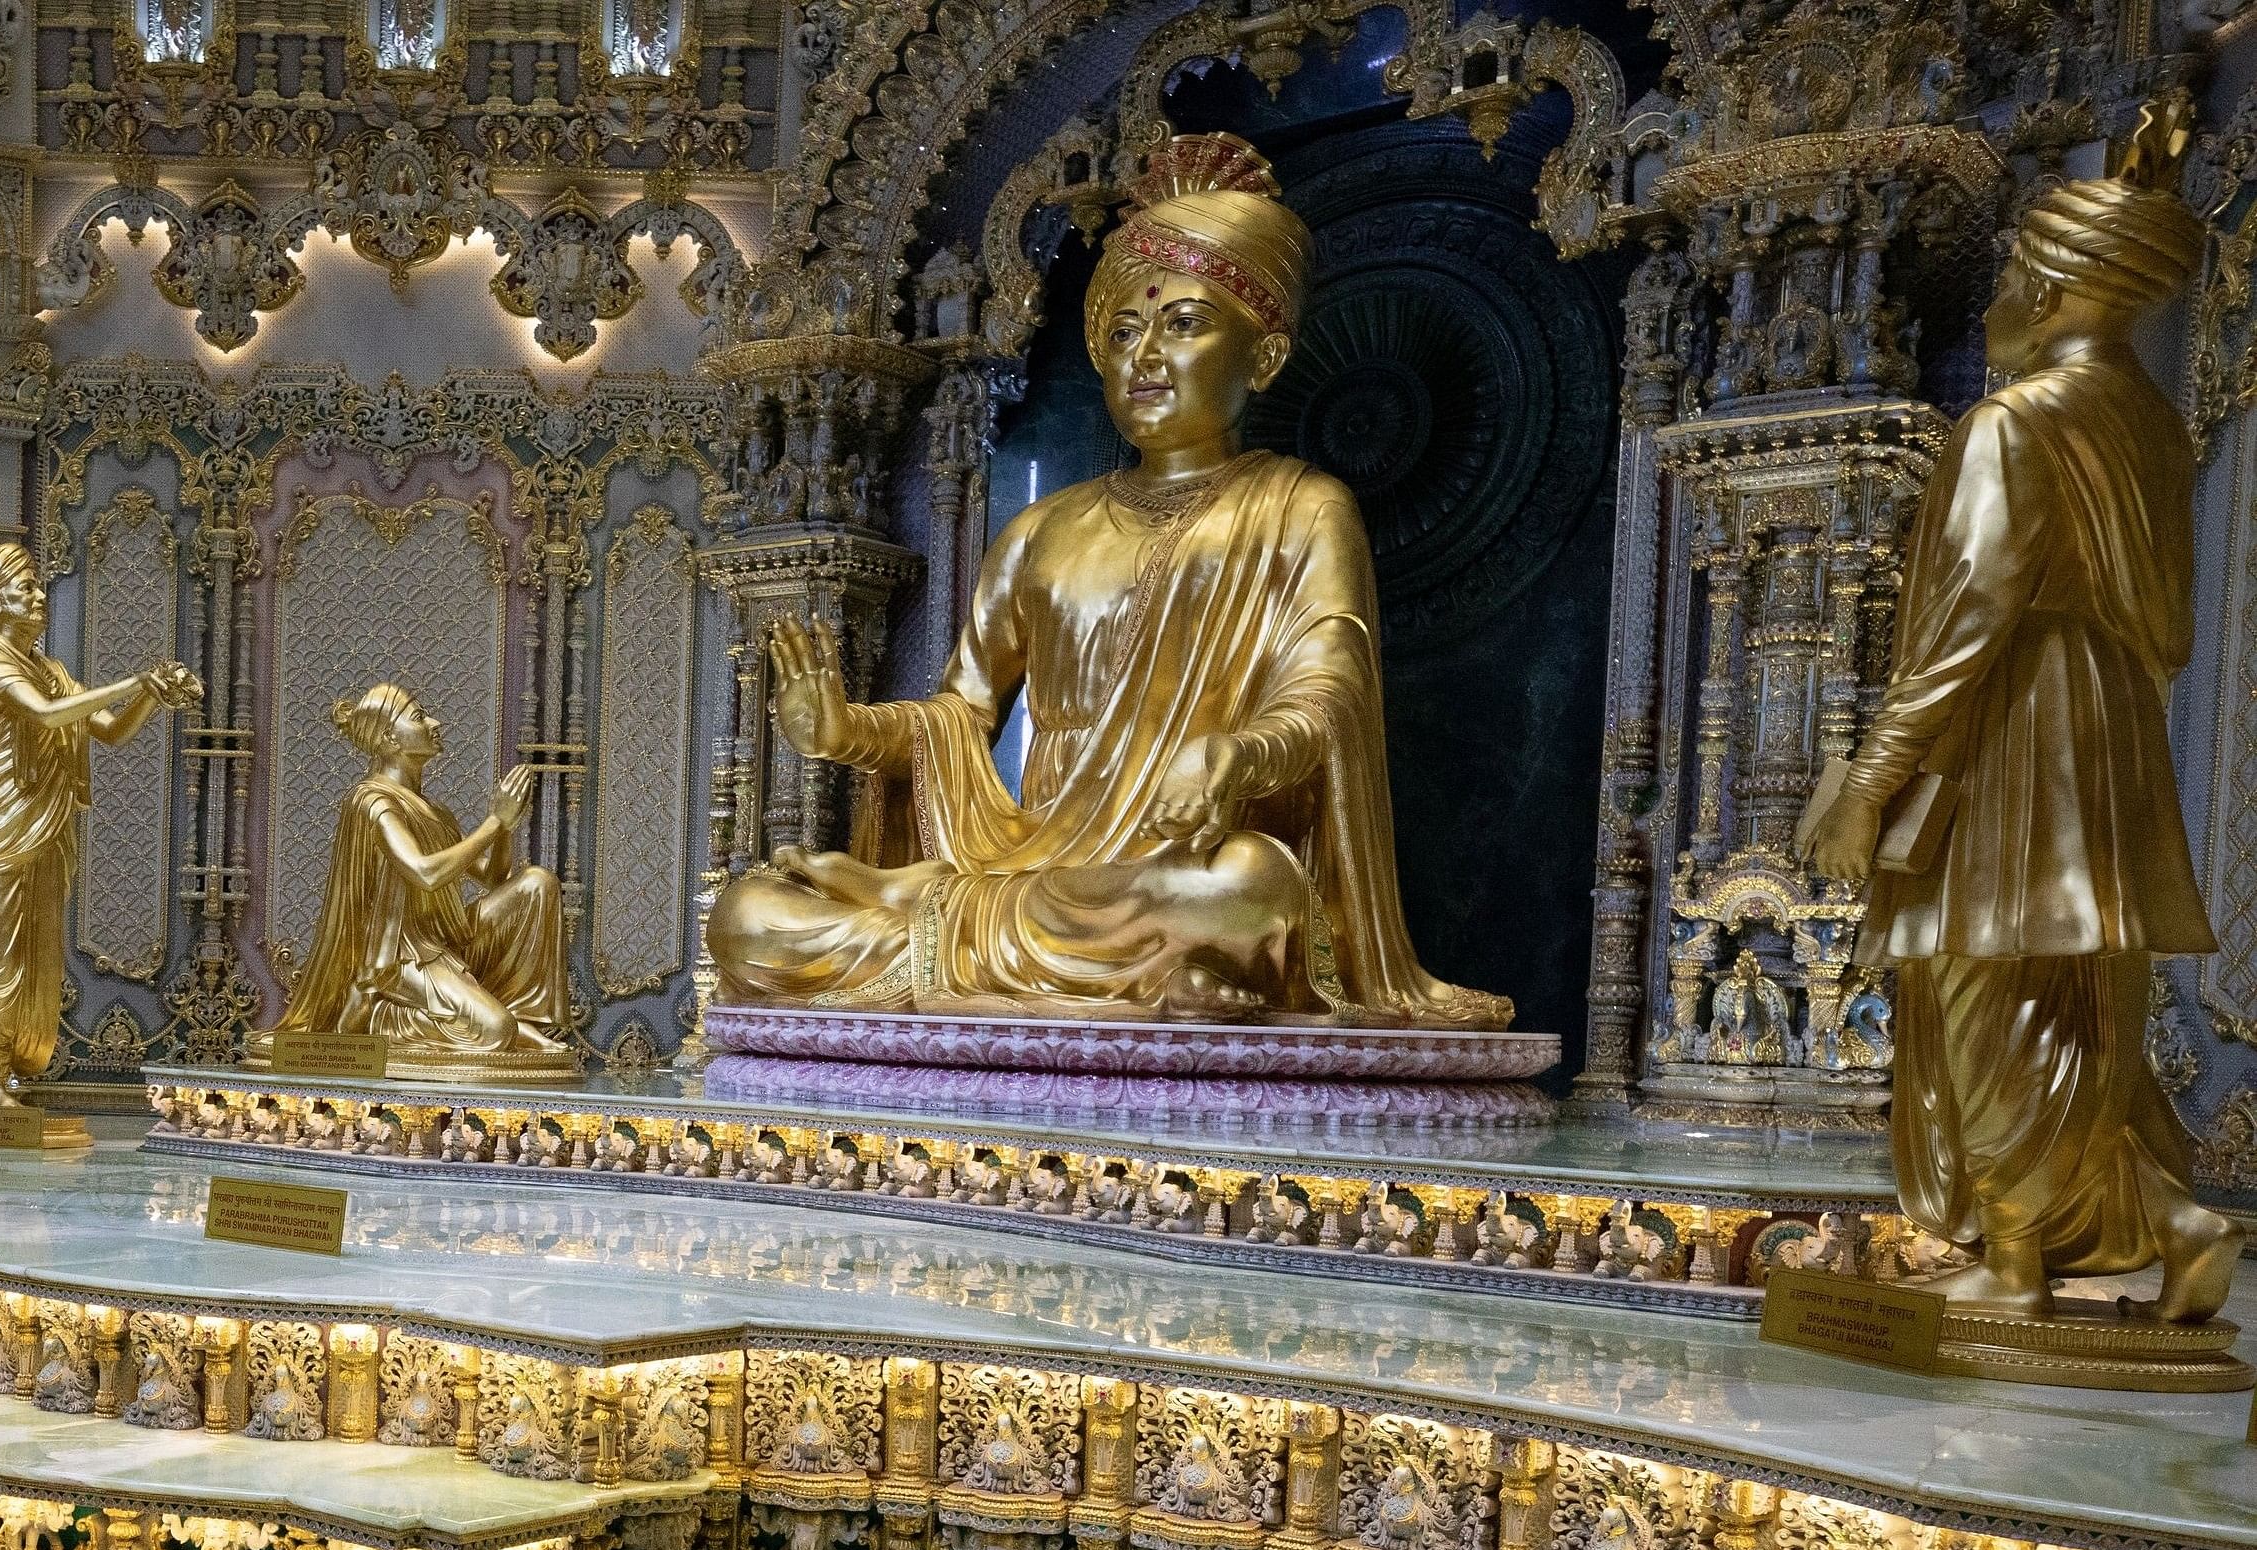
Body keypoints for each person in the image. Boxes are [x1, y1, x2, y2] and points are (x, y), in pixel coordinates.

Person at [701, 134, 1502, 1030]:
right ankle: (1127, 978)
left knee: (1252, 886)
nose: (1145, 355)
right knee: (750, 918)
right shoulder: (1042, 527)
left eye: (1184, 323)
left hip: (1170, 870)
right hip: (1024, 876)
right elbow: (961, 718)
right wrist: (847, 729)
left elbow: (1327, 687)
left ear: (1264, 357)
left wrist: (1237, 753)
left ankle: (1132, 968)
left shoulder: (1303, 507)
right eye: (1123, 331)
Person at [1804, 99, 2240, 1322]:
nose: (1998, 295)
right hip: (2106, 731)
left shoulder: (2012, 420)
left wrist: (1876, 777)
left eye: (2007, 271)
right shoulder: (2151, 424)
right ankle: (2168, 1218)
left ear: (2049, 285)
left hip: (2012, 727)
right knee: (2069, 1010)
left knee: (1978, 994)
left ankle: (2014, 1262)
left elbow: (1968, 617)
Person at [0, 541, 199, 1105]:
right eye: (25, 586)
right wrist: (135, 679)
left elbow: (108, 730)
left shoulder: (51, 670)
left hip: (44, 827)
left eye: (38, 586)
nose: (38, 596)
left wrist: (151, 696)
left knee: (36, 951)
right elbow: (46, 714)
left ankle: (9, 1071)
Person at [276, 681, 571, 1070]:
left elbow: (494, 878)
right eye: (418, 717)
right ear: (389, 738)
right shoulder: (371, 800)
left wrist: (505, 828)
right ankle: (379, 1019)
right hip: (399, 957)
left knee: (537, 883)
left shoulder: (436, 811)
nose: (434, 722)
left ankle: (510, 1019)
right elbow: (424, 873)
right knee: (495, 1032)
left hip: (443, 941)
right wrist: (492, 822)